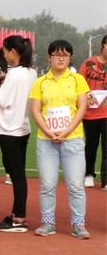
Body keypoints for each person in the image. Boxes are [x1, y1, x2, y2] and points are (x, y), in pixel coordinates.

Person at [29, 39, 90, 239]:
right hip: (46, 141)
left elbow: (82, 107)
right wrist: (48, 131)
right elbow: (35, 110)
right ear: (49, 57)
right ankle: (48, 223)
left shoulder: (78, 80)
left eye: (65, 55)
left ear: (70, 57)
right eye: (57, 54)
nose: (61, 58)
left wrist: (66, 131)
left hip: (72, 139)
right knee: (47, 184)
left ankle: (78, 224)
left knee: (75, 185)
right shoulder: (40, 82)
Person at [0, 35, 37, 233]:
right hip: (23, 127)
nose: (3, 54)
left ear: (13, 52)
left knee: (17, 175)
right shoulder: (31, 72)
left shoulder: (14, 74)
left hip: (10, 129)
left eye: (5, 50)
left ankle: (19, 218)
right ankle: (17, 214)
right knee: (18, 174)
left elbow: (2, 100)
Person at [79, 35, 107, 190]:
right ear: (104, 45)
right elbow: (80, 84)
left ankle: (106, 180)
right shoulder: (88, 63)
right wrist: (87, 95)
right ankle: (88, 174)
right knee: (91, 145)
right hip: (91, 112)